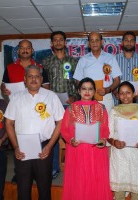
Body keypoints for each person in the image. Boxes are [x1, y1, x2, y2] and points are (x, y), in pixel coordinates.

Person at [4, 65, 65, 200]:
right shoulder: (16, 98)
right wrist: (15, 147)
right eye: (30, 76)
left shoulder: (51, 96)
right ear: (25, 79)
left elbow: (61, 122)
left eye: (37, 76)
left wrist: (49, 146)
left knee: (44, 190)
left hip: (44, 148)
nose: (33, 79)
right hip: (22, 149)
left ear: (41, 79)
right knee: (23, 190)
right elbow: (8, 123)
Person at [60, 77, 113, 200]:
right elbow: (64, 129)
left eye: (90, 89)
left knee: (96, 181)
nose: (87, 92)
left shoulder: (101, 108)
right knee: (79, 182)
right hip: (77, 150)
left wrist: (103, 139)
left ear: (94, 91)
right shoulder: (71, 108)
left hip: (96, 150)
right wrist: (71, 139)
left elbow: (105, 128)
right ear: (78, 91)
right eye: (84, 89)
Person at [42, 31, 78, 179]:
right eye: (55, 40)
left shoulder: (73, 61)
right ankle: (54, 168)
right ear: (52, 43)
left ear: (65, 42)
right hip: (52, 106)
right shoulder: (46, 62)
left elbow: (78, 83)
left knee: (72, 136)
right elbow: (44, 84)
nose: (58, 42)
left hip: (69, 105)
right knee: (54, 137)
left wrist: (75, 97)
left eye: (60, 40)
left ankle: (73, 167)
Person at [108, 81, 138, 200]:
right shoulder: (113, 111)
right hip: (119, 155)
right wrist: (114, 142)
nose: (125, 96)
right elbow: (109, 134)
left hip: (137, 154)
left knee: (136, 192)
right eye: (121, 93)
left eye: (128, 92)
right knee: (119, 191)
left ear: (134, 94)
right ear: (117, 96)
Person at [73, 32, 122, 112]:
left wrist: (107, 90)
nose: (94, 43)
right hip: (87, 98)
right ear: (88, 43)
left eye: (97, 40)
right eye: (92, 41)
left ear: (102, 42)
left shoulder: (110, 58)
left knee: (107, 123)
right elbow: (78, 81)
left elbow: (117, 80)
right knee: (89, 123)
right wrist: (85, 92)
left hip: (106, 97)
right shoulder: (83, 59)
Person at [115, 31, 138, 105]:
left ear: (135, 43)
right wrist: (115, 92)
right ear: (122, 43)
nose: (129, 43)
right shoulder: (114, 59)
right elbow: (110, 80)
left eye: (131, 41)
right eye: (126, 40)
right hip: (119, 102)